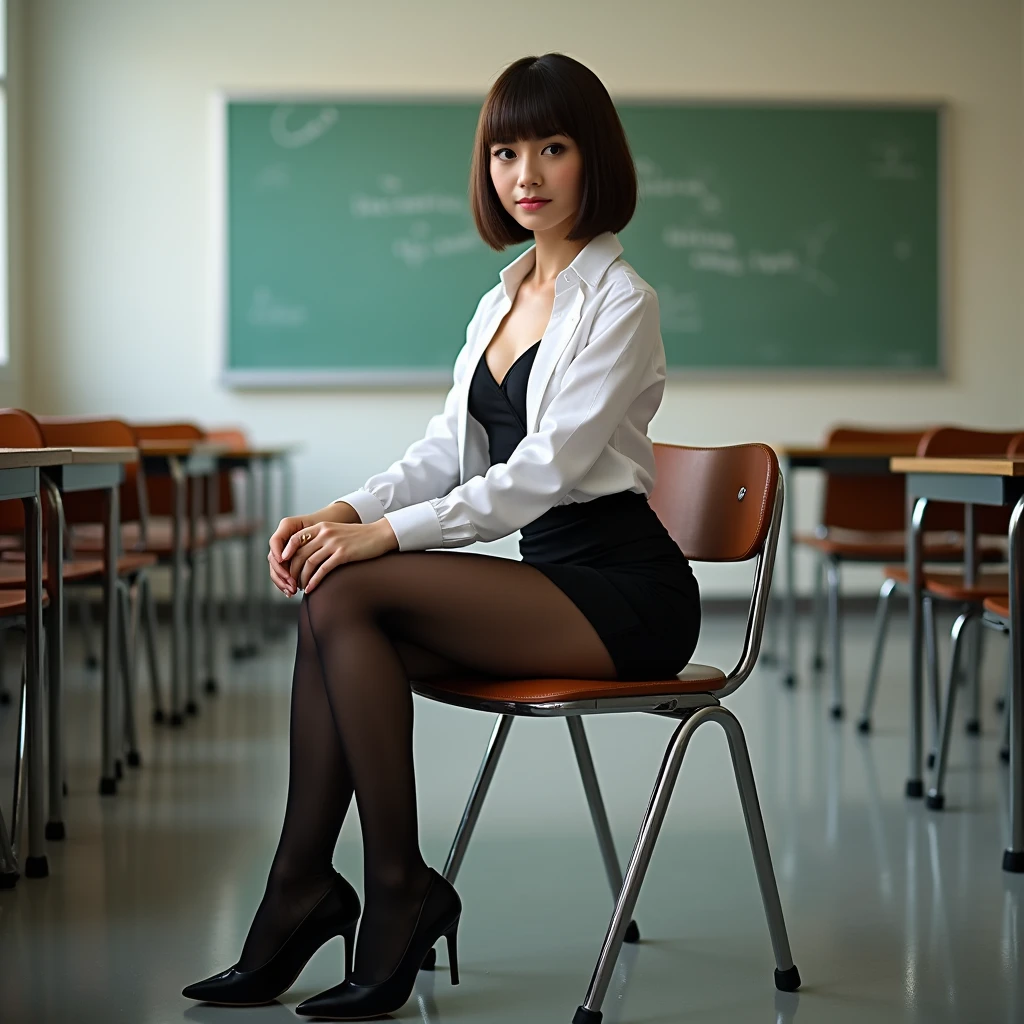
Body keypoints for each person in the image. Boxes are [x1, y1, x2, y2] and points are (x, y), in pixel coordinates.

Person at [183, 51, 700, 1020]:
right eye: (506, 152)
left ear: (595, 160)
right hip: (551, 583)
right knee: (332, 596)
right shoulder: (499, 300)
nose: (527, 175)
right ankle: (324, 885)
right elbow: (445, 451)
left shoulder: (624, 304)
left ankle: (372, 890)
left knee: (354, 586)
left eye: (553, 147)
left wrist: (384, 538)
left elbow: (538, 473)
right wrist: (345, 511)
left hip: (626, 596)